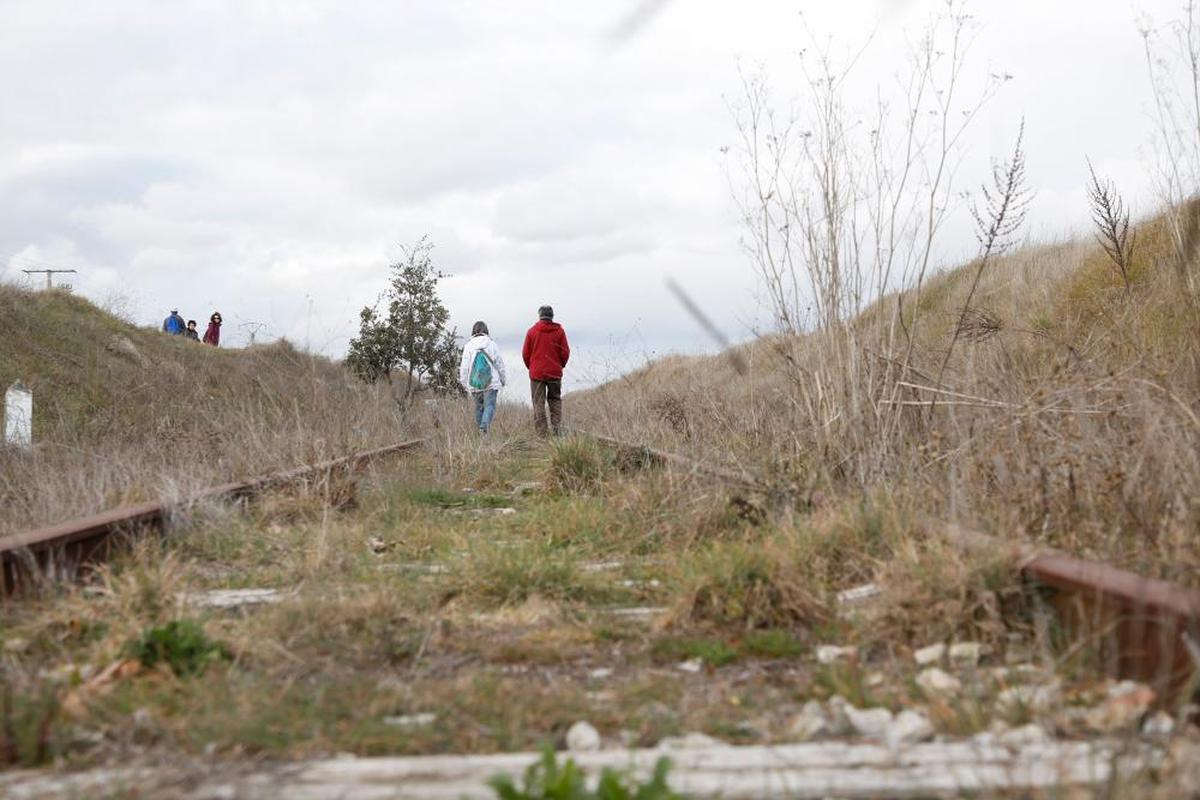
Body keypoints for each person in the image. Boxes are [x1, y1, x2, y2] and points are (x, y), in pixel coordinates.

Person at [522, 305, 569, 436]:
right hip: (554, 372)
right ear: (552, 316)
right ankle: (556, 430)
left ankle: (542, 434)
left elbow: (525, 354)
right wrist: (559, 365)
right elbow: (565, 352)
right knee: (555, 400)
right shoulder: (560, 331)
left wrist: (532, 368)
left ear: (540, 316)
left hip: (537, 374)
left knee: (538, 402)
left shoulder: (531, 332)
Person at [459, 321, 506, 433]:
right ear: (486, 331)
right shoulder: (492, 344)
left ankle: (481, 433)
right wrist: (503, 379)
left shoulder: (468, 346)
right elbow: (499, 364)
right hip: (491, 383)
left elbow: (464, 367)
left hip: (474, 382)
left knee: (478, 408)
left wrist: (465, 383)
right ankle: (484, 427)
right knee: (490, 405)